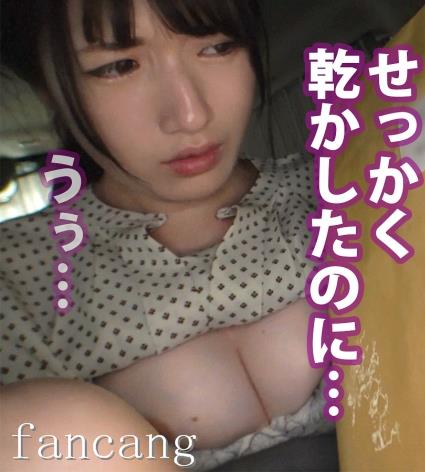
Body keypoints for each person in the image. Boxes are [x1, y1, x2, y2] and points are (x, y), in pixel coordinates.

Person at [0, 0, 330, 469]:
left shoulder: (339, 191)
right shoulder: (17, 283)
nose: (190, 115)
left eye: (217, 46)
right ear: (47, 85)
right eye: (119, 66)